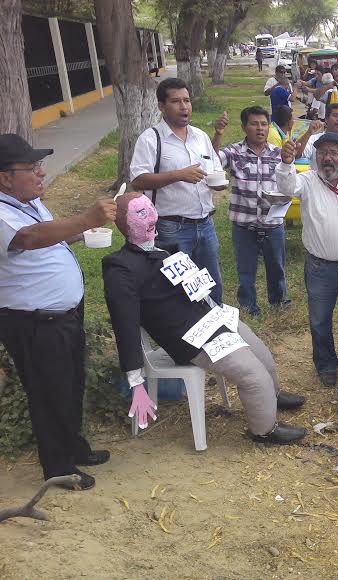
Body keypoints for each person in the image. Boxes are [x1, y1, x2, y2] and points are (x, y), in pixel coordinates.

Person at [103, 192, 306, 445]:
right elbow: (125, 323)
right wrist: (135, 381)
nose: (152, 216)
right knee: (253, 375)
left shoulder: (165, 248)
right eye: (141, 213)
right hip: (187, 337)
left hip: (211, 317)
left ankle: (271, 396)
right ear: (125, 223)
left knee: (263, 355)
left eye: (151, 208)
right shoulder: (120, 268)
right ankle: (264, 430)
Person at [0, 134, 116, 490]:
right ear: (5, 177)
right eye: (31, 167)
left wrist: (80, 233)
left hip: (64, 315)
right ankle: (58, 467)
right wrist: (84, 218)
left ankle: (74, 447)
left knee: (71, 384)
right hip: (34, 322)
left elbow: (48, 236)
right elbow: (29, 238)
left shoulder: (30, 203)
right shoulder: (2, 213)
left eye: (39, 165)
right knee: (49, 393)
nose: (41, 172)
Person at [276, 133, 338, 387]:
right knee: (320, 319)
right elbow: (286, 188)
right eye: (321, 153)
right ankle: (325, 365)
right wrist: (286, 163)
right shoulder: (307, 181)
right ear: (315, 157)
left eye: (333, 153)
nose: (327, 158)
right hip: (320, 267)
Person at [130, 78, 226, 304]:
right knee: (180, 292)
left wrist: (218, 182)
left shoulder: (200, 137)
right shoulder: (151, 139)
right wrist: (178, 175)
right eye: (176, 101)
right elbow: (138, 180)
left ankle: (216, 323)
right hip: (172, 228)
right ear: (162, 106)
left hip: (205, 225)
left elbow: (214, 169)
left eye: (187, 100)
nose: (184, 107)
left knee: (212, 285)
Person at [210, 106, 291, 318]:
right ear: (244, 127)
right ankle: (248, 307)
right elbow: (212, 161)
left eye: (264, 124)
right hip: (244, 224)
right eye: (254, 124)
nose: (260, 128)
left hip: (272, 223)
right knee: (245, 270)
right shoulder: (234, 152)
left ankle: (279, 301)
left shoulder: (277, 153)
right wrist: (218, 134)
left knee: (277, 267)